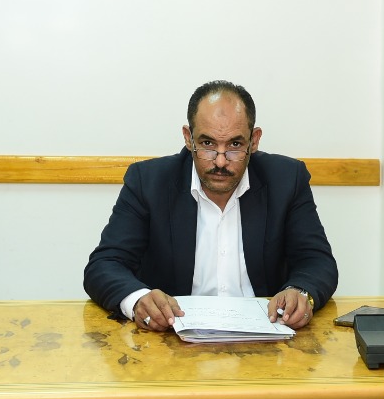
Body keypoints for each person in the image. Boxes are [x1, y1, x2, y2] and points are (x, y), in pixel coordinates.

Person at [84, 80, 338, 330]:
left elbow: (317, 261)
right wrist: (139, 299)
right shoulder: (148, 182)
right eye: (207, 144)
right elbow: (105, 264)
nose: (220, 161)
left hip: (267, 334)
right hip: (172, 337)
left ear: (254, 140)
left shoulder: (286, 179)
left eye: (235, 145)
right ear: (188, 138)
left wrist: (300, 292)